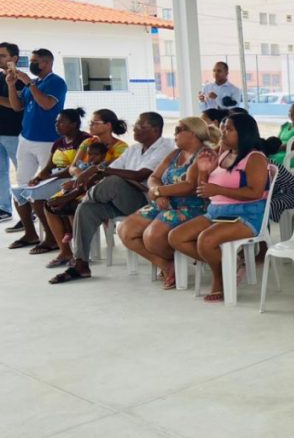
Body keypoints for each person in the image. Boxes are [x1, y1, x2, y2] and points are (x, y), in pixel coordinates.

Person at [49, 113, 175, 284]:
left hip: (147, 201)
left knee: (113, 181)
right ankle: (81, 263)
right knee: (86, 209)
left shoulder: (165, 147)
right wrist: (95, 172)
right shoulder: (134, 149)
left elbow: (140, 175)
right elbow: (109, 169)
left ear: (155, 129)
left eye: (140, 125)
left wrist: (98, 171)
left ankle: (72, 199)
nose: (134, 128)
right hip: (122, 200)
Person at [167, 113, 270, 302]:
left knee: (205, 240)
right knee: (176, 237)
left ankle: (219, 278)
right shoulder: (223, 153)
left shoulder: (255, 158)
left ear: (244, 133)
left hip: (246, 214)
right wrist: (204, 171)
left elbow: (255, 192)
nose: (223, 133)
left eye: (229, 129)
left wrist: (218, 189)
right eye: (222, 129)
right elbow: (203, 189)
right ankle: (226, 265)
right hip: (216, 211)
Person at [117, 117, 218, 289]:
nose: (174, 134)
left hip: (194, 206)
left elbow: (190, 186)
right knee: (126, 230)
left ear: (192, 134)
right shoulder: (175, 154)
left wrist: (159, 191)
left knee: (152, 238)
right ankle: (166, 265)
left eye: (179, 130)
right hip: (166, 202)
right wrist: (158, 194)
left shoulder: (204, 155)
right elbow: (154, 177)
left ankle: (185, 260)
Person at [37, 110, 129, 265]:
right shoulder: (88, 142)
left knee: (75, 205)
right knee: (50, 204)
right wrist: (80, 176)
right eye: (90, 122)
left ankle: (79, 254)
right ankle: (65, 251)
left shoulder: (121, 147)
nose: (90, 125)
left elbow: (108, 171)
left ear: (108, 125)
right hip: (78, 185)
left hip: (101, 188)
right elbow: (72, 167)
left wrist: (82, 178)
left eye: (95, 123)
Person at [0, 48, 67, 233]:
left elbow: (46, 104)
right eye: (32, 60)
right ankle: (29, 231)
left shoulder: (57, 82)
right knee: (21, 184)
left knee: (47, 184)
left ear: (47, 63)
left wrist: (29, 83)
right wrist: (12, 85)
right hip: (26, 139)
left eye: (35, 61)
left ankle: (55, 232)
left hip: (48, 141)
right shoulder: (35, 83)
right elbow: (16, 106)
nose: (32, 64)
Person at [8, 108, 90, 252]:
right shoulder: (58, 142)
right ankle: (30, 233)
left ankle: (51, 237)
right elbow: (48, 167)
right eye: (56, 122)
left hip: (73, 178)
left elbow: (73, 168)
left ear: (74, 124)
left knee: (36, 197)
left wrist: (48, 178)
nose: (56, 125)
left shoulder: (84, 140)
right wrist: (37, 178)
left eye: (61, 122)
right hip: (56, 177)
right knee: (19, 192)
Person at [0, 42, 24, 222]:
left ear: (14, 58)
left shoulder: (21, 79)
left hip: (14, 132)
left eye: (2, 55)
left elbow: (17, 105)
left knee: (22, 172)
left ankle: (28, 208)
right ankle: (4, 208)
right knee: (1, 172)